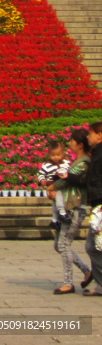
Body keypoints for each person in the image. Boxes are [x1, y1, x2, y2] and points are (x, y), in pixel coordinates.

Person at [50, 129, 93, 294]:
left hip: (75, 208)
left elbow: (65, 181)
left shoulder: (83, 162)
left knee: (63, 244)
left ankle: (68, 283)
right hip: (69, 206)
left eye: (72, 141)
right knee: (58, 245)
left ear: (80, 145)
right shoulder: (78, 161)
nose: (69, 144)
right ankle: (87, 271)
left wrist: (50, 187)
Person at [84, 122, 102, 295]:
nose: (88, 137)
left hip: (101, 207)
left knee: (93, 246)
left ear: (100, 135)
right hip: (97, 205)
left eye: (90, 133)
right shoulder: (96, 153)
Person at [38, 140, 71, 228]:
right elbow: (41, 174)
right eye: (53, 155)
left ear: (62, 153)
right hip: (52, 184)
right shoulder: (46, 165)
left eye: (58, 155)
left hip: (62, 184)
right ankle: (62, 213)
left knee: (56, 201)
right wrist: (42, 180)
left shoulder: (66, 163)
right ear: (49, 154)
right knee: (56, 198)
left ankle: (54, 220)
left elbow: (70, 172)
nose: (56, 157)